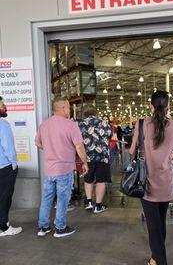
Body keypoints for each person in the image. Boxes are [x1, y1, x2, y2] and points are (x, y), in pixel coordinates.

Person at [130, 90, 173, 265]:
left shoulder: (142, 124)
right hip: (166, 183)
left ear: (151, 105)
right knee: (160, 224)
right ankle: (153, 261)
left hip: (147, 184)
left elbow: (132, 151)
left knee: (154, 230)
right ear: (168, 106)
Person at [35, 97, 88, 237]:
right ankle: (60, 228)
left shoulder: (44, 125)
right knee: (62, 199)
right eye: (69, 108)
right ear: (63, 108)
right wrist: (85, 162)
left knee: (47, 198)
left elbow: (38, 143)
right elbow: (79, 146)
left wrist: (52, 149)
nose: (69, 110)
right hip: (64, 169)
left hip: (49, 169)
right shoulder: (70, 125)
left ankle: (43, 227)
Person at [78, 109, 113, 213]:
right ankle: (98, 205)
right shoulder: (103, 122)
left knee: (88, 179)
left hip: (87, 157)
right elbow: (110, 135)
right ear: (95, 114)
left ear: (85, 115)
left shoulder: (80, 124)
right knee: (101, 181)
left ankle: (88, 202)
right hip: (103, 157)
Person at [0, 99, 22, 236]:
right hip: (5, 167)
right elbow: (7, 146)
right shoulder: (3, 125)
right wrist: (14, 163)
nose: (5, 107)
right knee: (5, 197)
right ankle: (3, 227)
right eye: (2, 105)